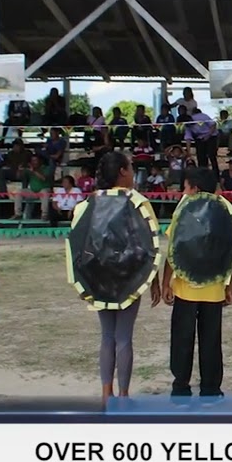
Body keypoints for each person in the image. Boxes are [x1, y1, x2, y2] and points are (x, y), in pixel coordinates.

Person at [74, 151, 162, 406]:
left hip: (98, 278)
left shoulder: (86, 204)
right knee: (123, 337)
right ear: (122, 172)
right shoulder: (138, 202)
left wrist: (83, 282)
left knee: (107, 335)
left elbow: (76, 245)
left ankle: (106, 392)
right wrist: (152, 281)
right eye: (131, 167)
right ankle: (123, 396)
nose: (133, 172)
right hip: (129, 278)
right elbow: (151, 245)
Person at [161, 167, 232, 398]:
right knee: (211, 340)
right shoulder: (228, 210)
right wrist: (229, 286)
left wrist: (166, 282)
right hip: (214, 289)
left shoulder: (184, 208)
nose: (183, 191)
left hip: (185, 288)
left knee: (182, 339)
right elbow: (231, 252)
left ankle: (181, 387)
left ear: (194, 187)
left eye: (185, 187)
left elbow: (174, 249)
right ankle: (211, 388)